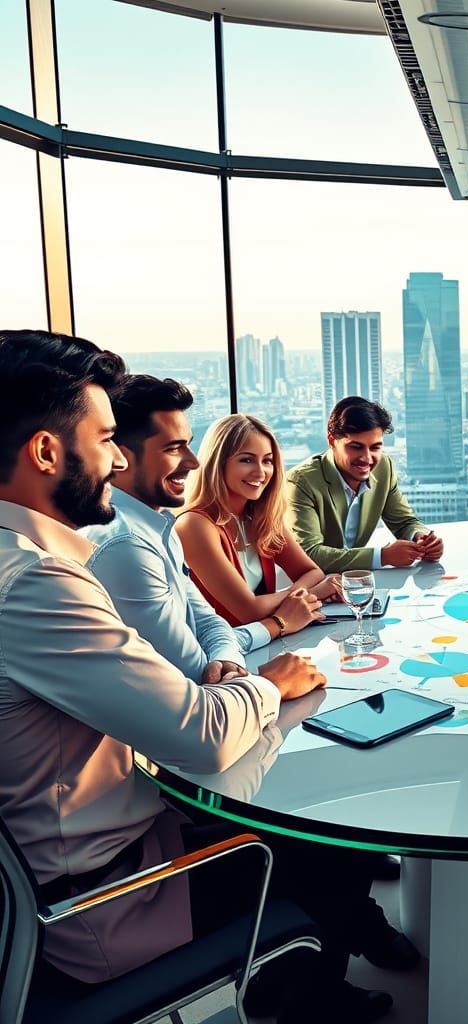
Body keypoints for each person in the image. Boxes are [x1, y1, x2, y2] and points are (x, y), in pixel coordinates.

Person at [0, 329, 394, 1022]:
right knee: (329, 844)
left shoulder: (37, 560)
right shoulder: (38, 584)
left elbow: (194, 648)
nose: (116, 459)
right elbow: (201, 732)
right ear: (44, 451)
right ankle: (308, 999)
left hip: (108, 847)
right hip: (106, 897)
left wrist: (231, 668)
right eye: (104, 440)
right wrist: (272, 681)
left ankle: (308, 970)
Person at [83, 376, 321, 677]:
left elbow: (209, 626)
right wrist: (273, 672)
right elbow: (194, 670)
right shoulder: (127, 544)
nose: (194, 462)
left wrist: (231, 657)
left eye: (189, 446)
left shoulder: (160, 530)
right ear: (120, 456)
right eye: (173, 448)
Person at [175, 413, 342, 628]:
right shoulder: (194, 525)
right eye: (246, 460)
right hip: (221, 654)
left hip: (267, 641)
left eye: (267, 461)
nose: (261, 472)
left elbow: (312, 572)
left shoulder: (261, 516)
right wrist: (313, 593)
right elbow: (248, 611)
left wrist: (298, 597)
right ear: (218, 463)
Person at [286, 396, 443, 571]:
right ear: (331, 441)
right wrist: (382, 556)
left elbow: (404, 522)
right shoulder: (301, 482)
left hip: (354, 582)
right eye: (356, 447)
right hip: (306, 585)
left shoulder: (384, 467)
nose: (367, 458)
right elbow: (310, 553)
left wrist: (420, 538)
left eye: (375, 447)